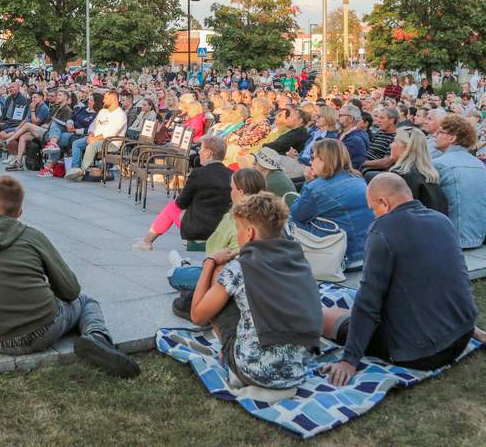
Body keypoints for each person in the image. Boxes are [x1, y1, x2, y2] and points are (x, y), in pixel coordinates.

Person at [319, 174, 486, 385]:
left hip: (423, 353)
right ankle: (484, 336)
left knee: (324, 316)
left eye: (373, 209)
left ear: (384, 202)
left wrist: (349, 360)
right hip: (462, 335)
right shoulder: (442, 220)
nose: (374, 215)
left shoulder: (382, 231)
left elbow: (368, 301)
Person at [0, 176, 140, 377]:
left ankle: (92, 339)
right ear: (19, 212)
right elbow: (71, 291)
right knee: (86, 302)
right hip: (45, 331)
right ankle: (97, 337)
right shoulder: (33, 237)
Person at [188, 192, 322, 389]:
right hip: (297, 372)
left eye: (238, 229)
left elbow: (197, 316)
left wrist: (210, 262)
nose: (237, 235)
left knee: (218, 275)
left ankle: (230, 361)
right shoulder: (299, 260)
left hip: (253, 372)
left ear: (249, 233)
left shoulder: (240, 268)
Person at [133, 136, 232, 251]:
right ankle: (146, 241)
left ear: (208, 153)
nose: (199, 152)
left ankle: (147, 242)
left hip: (199, 230)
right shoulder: (232, 174)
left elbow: (181, 203)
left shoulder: (198, 173)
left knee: (172, 206)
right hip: (222, 229)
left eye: (201, 148)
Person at [287, 138, 374, 268]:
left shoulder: (316, 188)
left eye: (313, 157)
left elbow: (297, 214)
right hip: (368, 251)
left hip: (343, 257)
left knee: (287, 220)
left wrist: (309, 182)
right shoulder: (358, 178)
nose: (310, 162)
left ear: (325, 159)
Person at [433, 114, 486, 249]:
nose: (435, 135)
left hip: (453, 239)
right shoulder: (479, 164)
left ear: (452, 138)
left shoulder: (439, 164)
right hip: (478, 236)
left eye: (440, 132)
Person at [65, 90, 127, 180]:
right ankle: (75, 169)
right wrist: (91, 134)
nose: (103, 101)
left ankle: (82, 171)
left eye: (106, 98)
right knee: (76, 143)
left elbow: (110, 133)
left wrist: (94, 139)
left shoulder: (120, 115)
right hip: (96, 138)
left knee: (92, 145)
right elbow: (93, 125)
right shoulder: (103, 111)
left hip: (111, 142)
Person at [387, 127, 449, 215]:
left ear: (405, 148)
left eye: (395, 141)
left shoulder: (399, 176)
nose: (391, 145)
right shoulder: (430, 176)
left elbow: (394, 213)